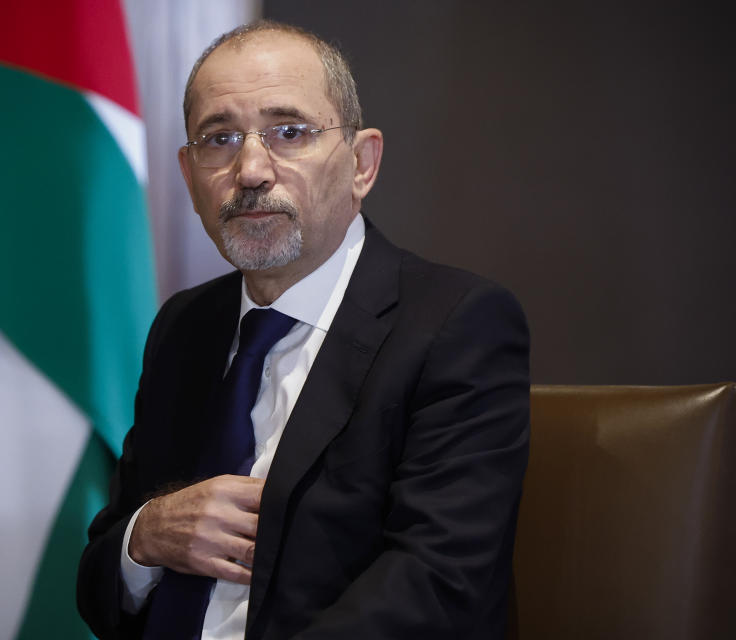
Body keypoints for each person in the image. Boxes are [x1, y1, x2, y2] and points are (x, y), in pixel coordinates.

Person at [77, 20, 529, 640]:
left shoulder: (456, 324)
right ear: (189, 175)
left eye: (289, 132)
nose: (252, 169)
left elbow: (438, 585)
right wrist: (145, 537)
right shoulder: (184, 326)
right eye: (220, 138)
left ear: (361, 164)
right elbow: (99, 580)